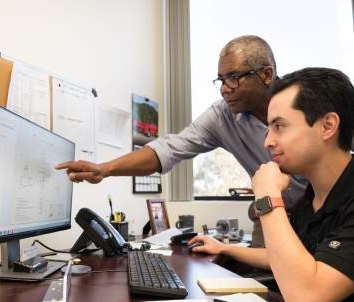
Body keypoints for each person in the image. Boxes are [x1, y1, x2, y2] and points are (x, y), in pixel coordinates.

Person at [55, 35, 307, 246]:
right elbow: (170, 148)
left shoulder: (307, 100)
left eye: (234, 77)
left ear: (266, 74)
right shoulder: (222, 116)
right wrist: (105, 169)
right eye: (221, 79)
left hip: (326, 212)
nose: (224, 88)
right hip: (272, 213)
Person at [189, 67, 354, 302]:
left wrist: (267, 196)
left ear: (328, 126)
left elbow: (305, 299)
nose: (267, 141)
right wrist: (224, 248)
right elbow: (287, 256)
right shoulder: (311, 198)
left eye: (279, 126)